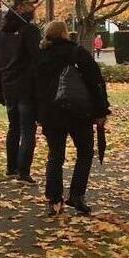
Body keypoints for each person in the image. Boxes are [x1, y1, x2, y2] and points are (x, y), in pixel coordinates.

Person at [34, 21, 110, 216]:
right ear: (65, 34)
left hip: (51, 112)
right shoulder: (77, 53)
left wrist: (38, 114)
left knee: (55, 155)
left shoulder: (41, 56)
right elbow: (95, 82)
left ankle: (54, 199)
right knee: (85, 152)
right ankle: (76, 194)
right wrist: (101, 111)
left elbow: (34, 88)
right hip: (78, 112)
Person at [0, 0, 43, 184]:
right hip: (26, 88)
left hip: (9, 86)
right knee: (27, 129)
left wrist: (0, 88)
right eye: (29, 5)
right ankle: (23, 172)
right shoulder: (30, 31)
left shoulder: (2, 34)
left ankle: (12, 167)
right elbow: (38, 59)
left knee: (15, 127)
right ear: (19, 8)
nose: (33, 9)